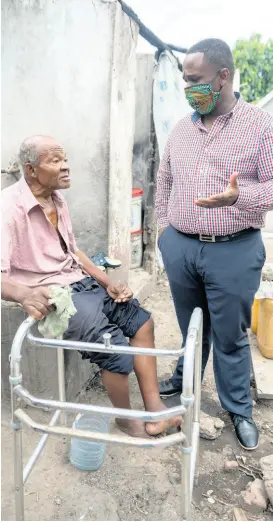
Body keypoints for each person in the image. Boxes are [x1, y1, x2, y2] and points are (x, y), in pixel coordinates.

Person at [1, 135, 181, 438]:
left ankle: (154, 409)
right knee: (114, 349)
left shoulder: (57, 199)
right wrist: (25, 294)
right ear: (31, 170)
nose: (66, 167)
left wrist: (108, 281)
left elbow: (75, 253)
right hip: (55, 294)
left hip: (80, 282)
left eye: (65, 159)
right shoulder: (8, 207)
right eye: (55, 161)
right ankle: (123, 418)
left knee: (143, 322)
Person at [156, 38, 273, 450]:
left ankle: (238, 408)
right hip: (182, 247)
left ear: (223, 77)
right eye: (185, 80)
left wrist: (239, 197)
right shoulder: (183, 129)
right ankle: (184, 379)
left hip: (234, 249)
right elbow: (164, 179)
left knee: (230, 334)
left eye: (196, 80)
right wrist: (164, 232)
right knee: (192, 327)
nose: (189, 88)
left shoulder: (259, 126)